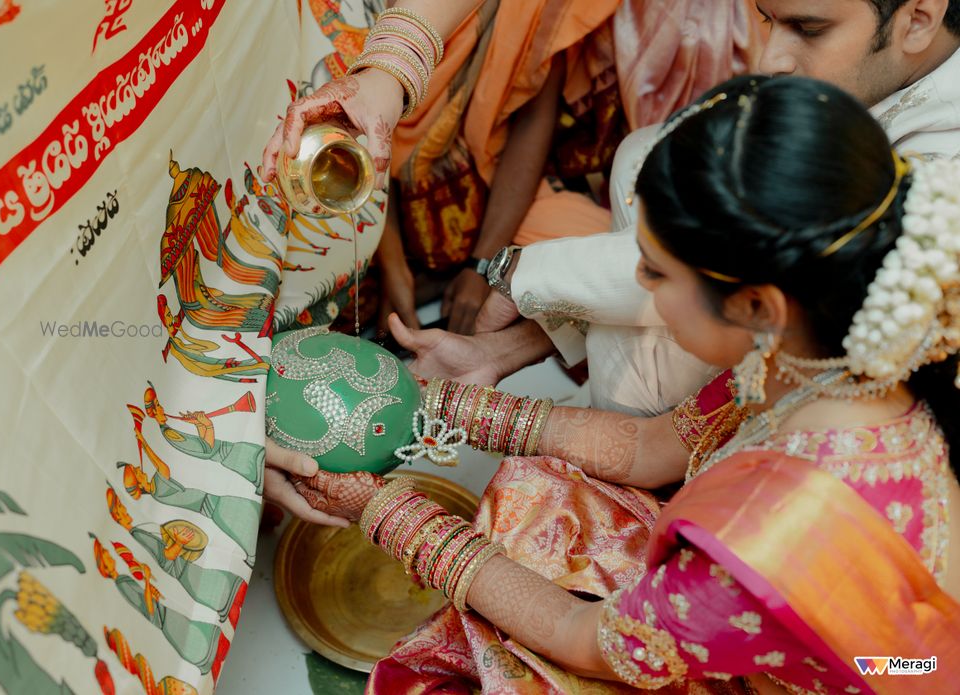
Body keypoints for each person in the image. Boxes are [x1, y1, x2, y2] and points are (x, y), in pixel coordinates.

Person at [268, 75, 960, 693]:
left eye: (656, 272)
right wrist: (446, 403)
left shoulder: (774, 535)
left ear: (755, 304)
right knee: (538, 492)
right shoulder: (827, 351)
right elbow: (649, 448)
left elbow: (583, 639)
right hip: (870, 655)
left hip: (869, 674)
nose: (636, 283)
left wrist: (386, 513)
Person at [387, 0, 960, 417]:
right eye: (766, 19)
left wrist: (520, 274)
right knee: (647, 153)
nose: (772, 59)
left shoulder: (945, 176)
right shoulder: (850, 76)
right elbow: (686, 271)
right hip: (672, 398)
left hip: (737, 432)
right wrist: (500, 350)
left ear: (918, 18)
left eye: (808, 29)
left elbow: (737, 261)